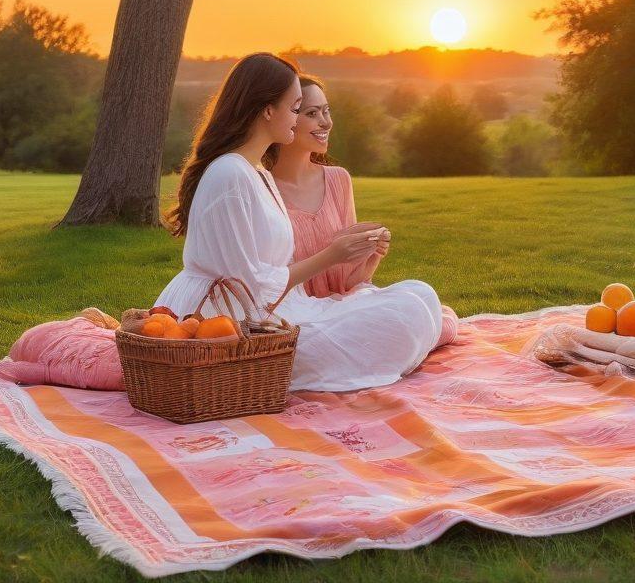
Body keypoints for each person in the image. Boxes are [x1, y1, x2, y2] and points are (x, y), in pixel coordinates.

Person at [155, 53, 443, 391]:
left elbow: (266, 278)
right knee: (406, 315)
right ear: (268, 111)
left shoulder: (256, 172)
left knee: (420, 294)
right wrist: (333, 254)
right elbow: (247, 288)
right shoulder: (230, 174)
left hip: (272, 310)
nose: (298, 119)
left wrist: (359, 255)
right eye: (296, 109)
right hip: (231, 323)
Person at [271, 73, 460, 348]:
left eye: (326, 111)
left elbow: (349, 284)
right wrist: (333, 254)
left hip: (344, 308)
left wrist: (371, 257)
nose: (326, 122)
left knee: (421, 296)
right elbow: (266, 285)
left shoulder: (338, 179)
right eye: (312, 113)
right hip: (300, 320)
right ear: (286, 119)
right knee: (414, 319)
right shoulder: (262, 189)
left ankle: (414, 334)